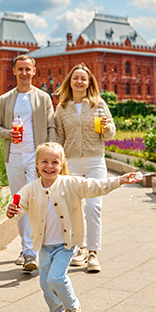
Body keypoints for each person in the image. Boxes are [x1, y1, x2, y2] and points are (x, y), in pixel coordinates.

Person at [6, 143, 142, 312]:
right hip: (44, 246)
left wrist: (119, 180)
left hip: (65, 245)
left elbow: (96, 186)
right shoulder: (30, 188)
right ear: (36, 164)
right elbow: (18, 205)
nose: (49, 166)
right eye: (44, 161)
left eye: (55, 162)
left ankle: (73, 306)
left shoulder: (70, 184)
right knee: (45, 284)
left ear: (62, 164)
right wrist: (12, 210)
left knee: (55, 278)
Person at [0, 54, 57, 273]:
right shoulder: (5, 99)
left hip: (34, 157)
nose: (24, 73)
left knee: (33, 200)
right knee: (18, 202)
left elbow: (51, 126)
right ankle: (24, 247)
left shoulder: (43, 98)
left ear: (34, 71)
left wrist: (50, 154)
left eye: (28, 69)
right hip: (13, 157)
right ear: (14, 71)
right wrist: (8, 133)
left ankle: (30, 252)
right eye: (20, 69)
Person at [54, 64, 115, 273]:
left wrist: (107, 128)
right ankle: (81, 249)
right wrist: (56, 163)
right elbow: (58, 138)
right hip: (71, 163)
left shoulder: (98, 104)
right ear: (70, 82)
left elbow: (110, 134)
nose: (79, 81)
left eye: (83, 79)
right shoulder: (62, 108)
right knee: (75, 208)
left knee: (93, 206)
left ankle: (93, 253)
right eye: (76, 78)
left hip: (95, 160)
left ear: (89, 83)